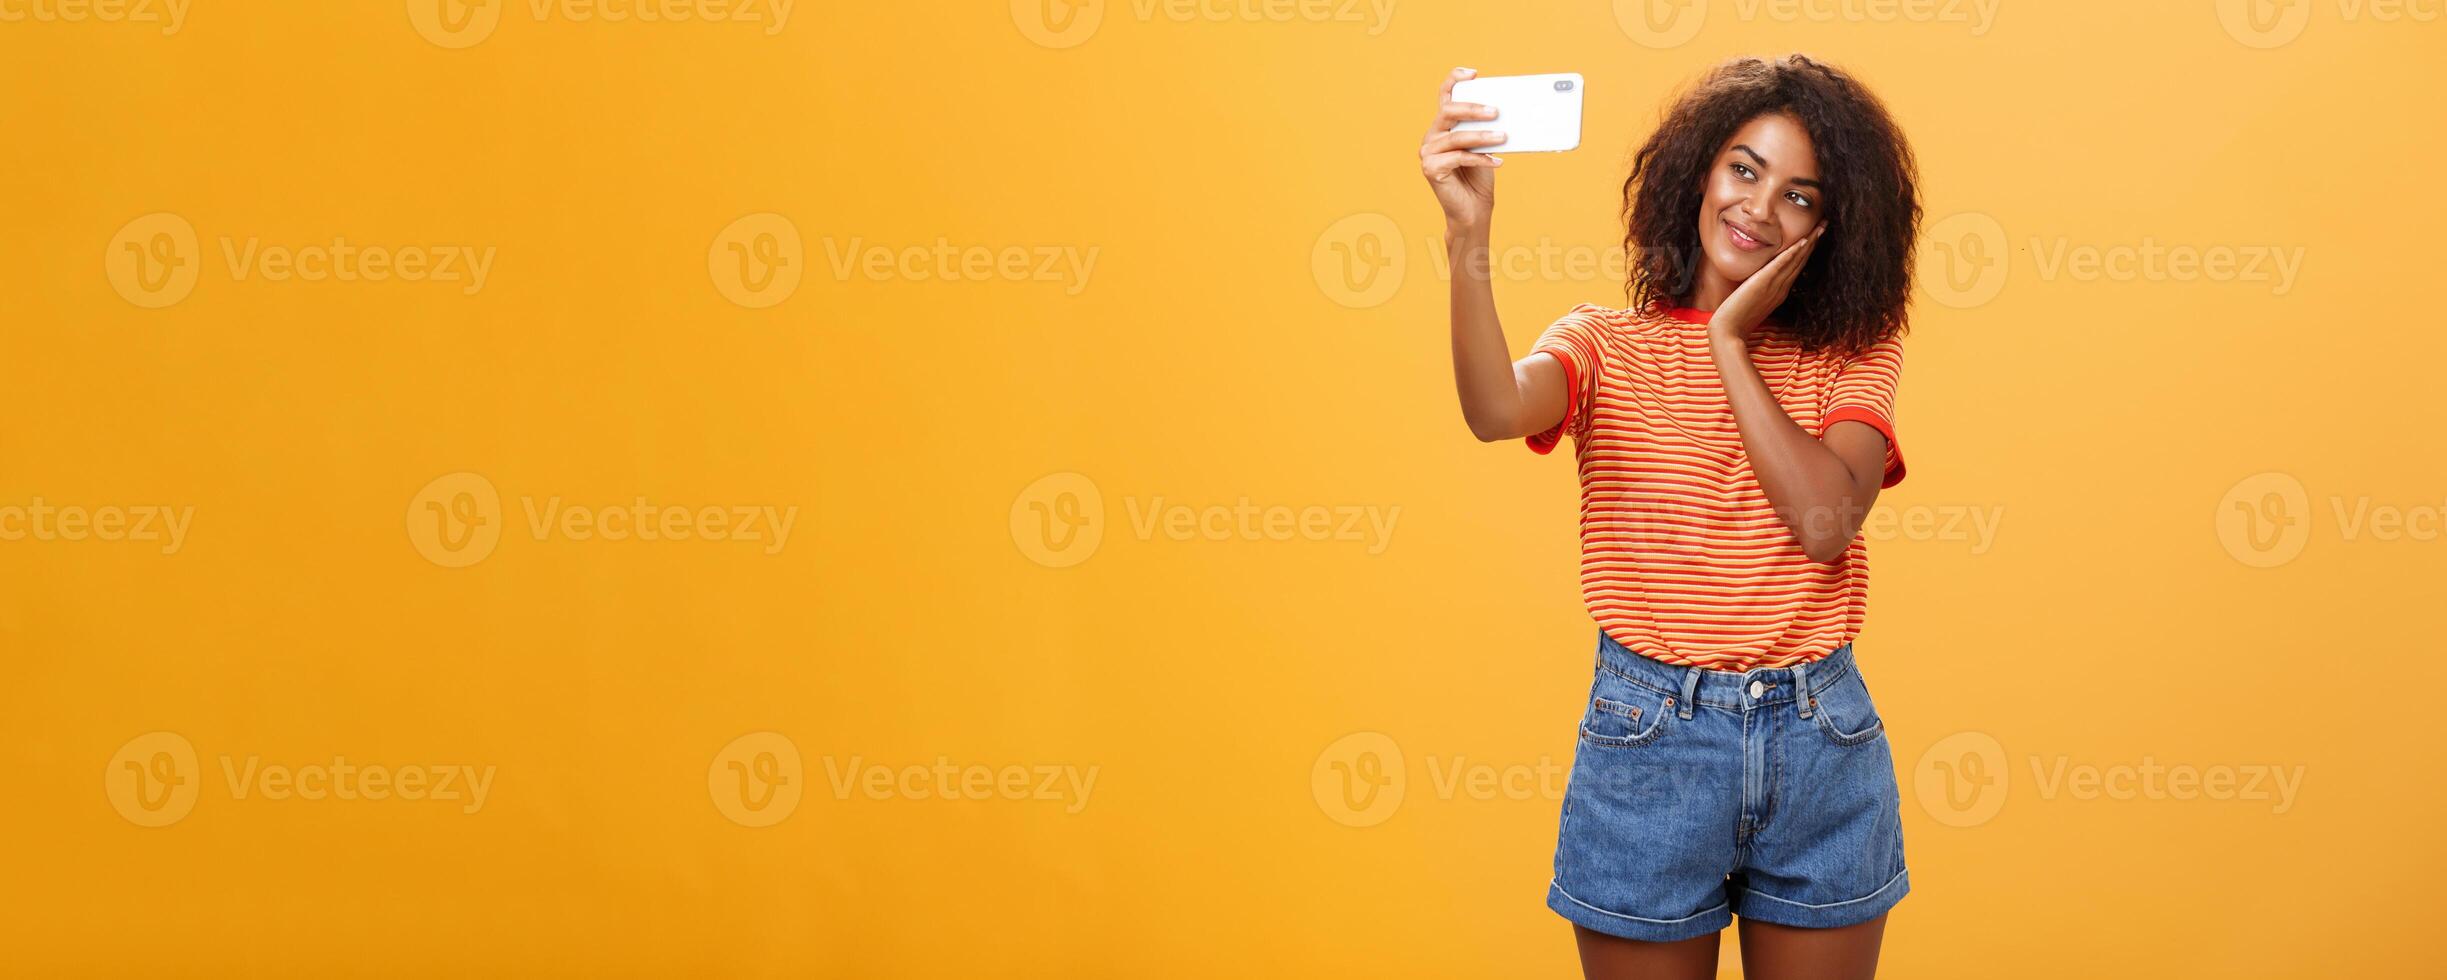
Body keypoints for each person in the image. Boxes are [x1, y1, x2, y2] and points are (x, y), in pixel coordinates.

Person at [1420, 55, 1923, 980]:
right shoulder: (1602, 343)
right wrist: (1469, 236)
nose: (1759, 207)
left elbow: (1823, 523)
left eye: (1799, 196)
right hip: (1647, 741)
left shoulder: (1853, 351)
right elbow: (1494, 409)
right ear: (1696, 171)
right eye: (1743, 168)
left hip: (1819, 740)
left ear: (1831, 227)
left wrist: (1729, 340)